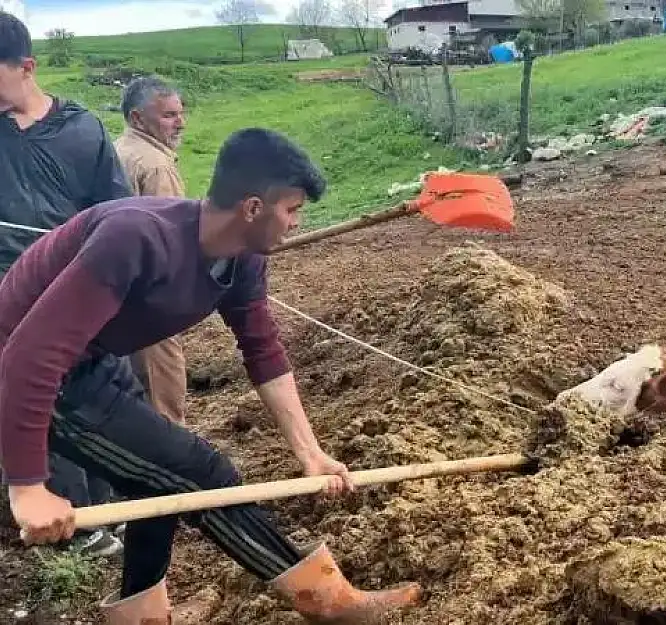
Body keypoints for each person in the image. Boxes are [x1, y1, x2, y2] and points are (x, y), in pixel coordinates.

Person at [0, 127, 423, 623]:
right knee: (201, 475)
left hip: (91, 361)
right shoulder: (136, 236)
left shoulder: (242, 261)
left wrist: (309, 452)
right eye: (291, 209)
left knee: (156, 483)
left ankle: (141, 617)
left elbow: (262, 350)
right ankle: (331, 605)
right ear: (251, 208)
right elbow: (28, 355)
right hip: (28, 369)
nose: (295, 223)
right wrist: (27, 485)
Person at [0, 10, 128, 557]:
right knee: (35, 397)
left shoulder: (83, 129)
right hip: (8, 294)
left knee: (99, 387)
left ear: (25, 67)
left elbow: (118, 210)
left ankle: (112, 505)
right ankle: (71, 524)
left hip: (77, 288)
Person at [113, 75, 189, 425]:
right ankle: (170, 476)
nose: (180, 122)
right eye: (169, 115)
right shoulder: (155, 166)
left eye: (180, 113)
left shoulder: (116, 151)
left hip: (113, 297)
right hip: (150, 300)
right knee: (164, 399)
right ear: (137, 119)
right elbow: (173, 240)